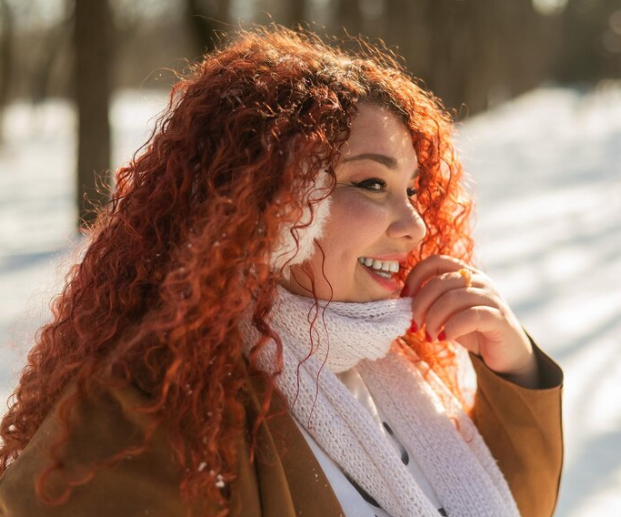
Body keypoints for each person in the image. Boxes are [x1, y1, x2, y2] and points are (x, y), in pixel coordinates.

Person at [0, 26, 563, 517]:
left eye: (410, 190)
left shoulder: (385, 364)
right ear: (273, 205)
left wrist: (515, 366)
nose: (414, 225)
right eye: (371, 183)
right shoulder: (149, 416)